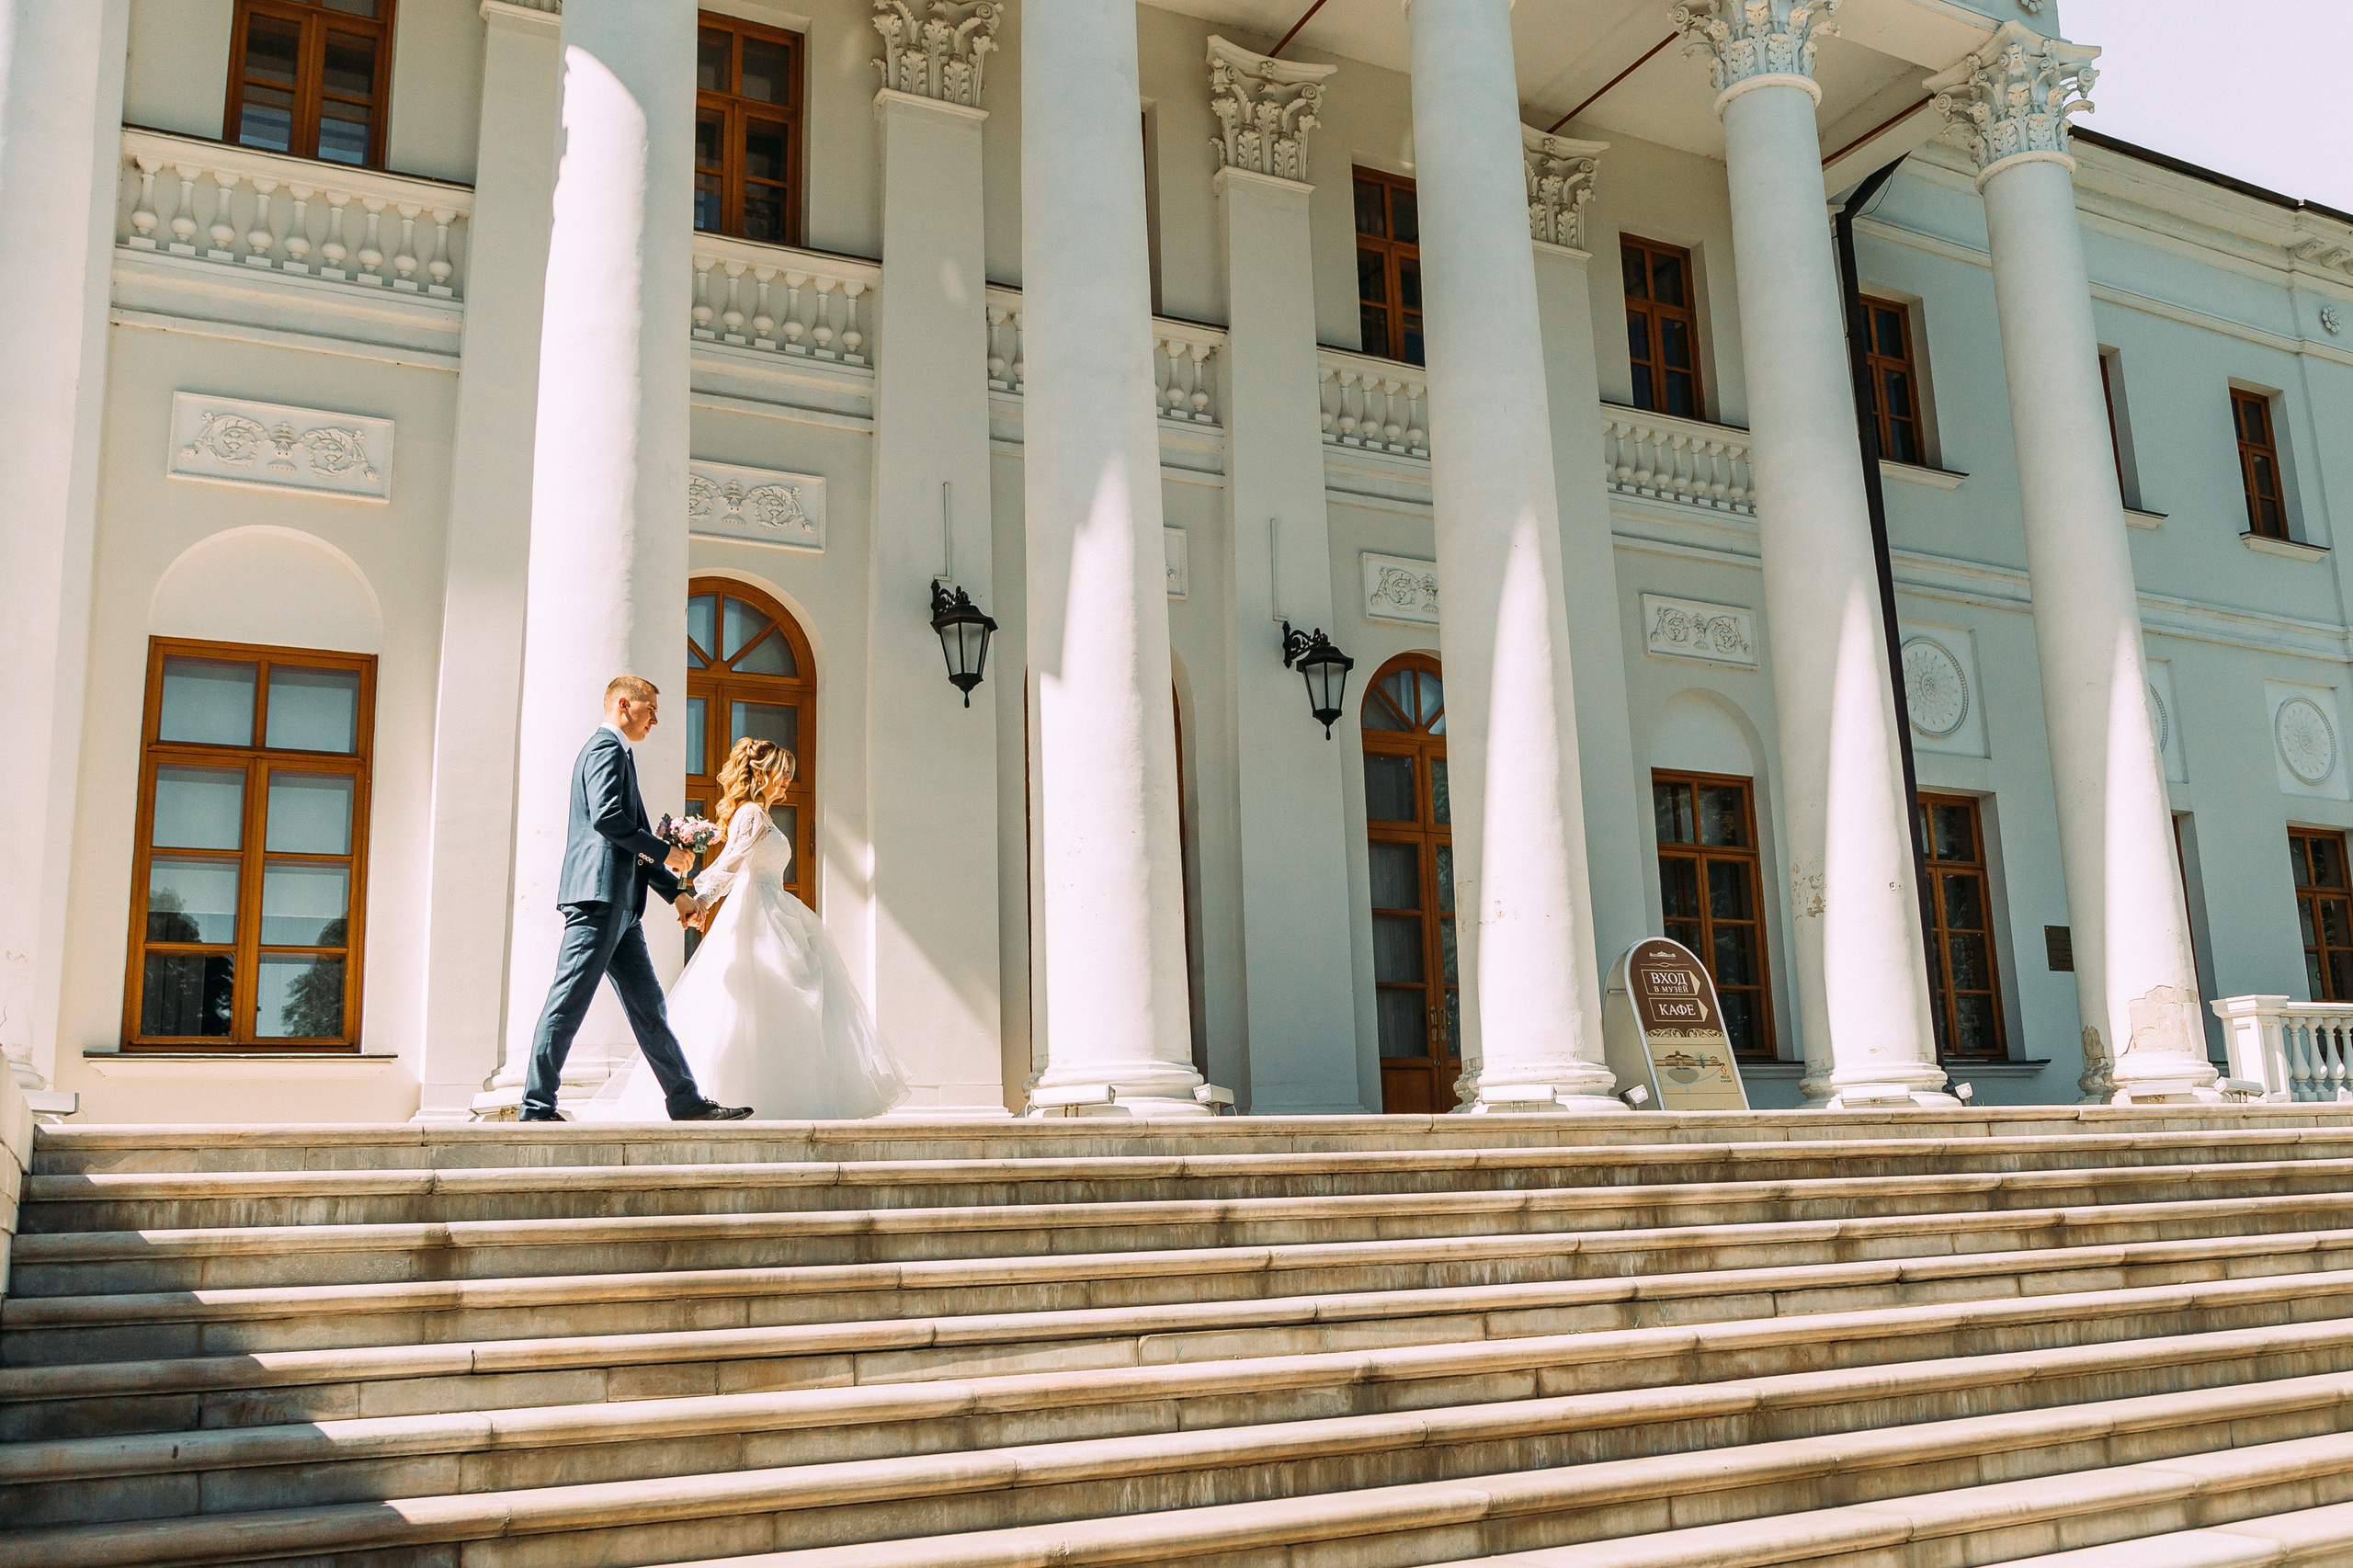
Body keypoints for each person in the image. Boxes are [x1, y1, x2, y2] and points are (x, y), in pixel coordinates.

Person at [580, 736, 910, 1121]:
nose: (788, 780)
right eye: (781, 773)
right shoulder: (751, 812)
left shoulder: (762, 814)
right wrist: (695, 899)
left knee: (789, 1003)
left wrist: (697, 899)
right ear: (760, 774)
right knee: (765, 1003)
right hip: (759, 916)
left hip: (776, 911)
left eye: (789, 773)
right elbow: (730, 863)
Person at [521, 676, 753, 1122]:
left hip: (622, 906)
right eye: (651, 709)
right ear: (624, 704)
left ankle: (685, 1101)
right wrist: (669, 851)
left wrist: (677, 895)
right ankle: (535, 1107)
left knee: (650, 1007)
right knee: (567, 1002)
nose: (656, 719)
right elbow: (609, 820)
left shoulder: (619, 755)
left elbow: (633, 843)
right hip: (598, 899)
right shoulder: (604, 750)